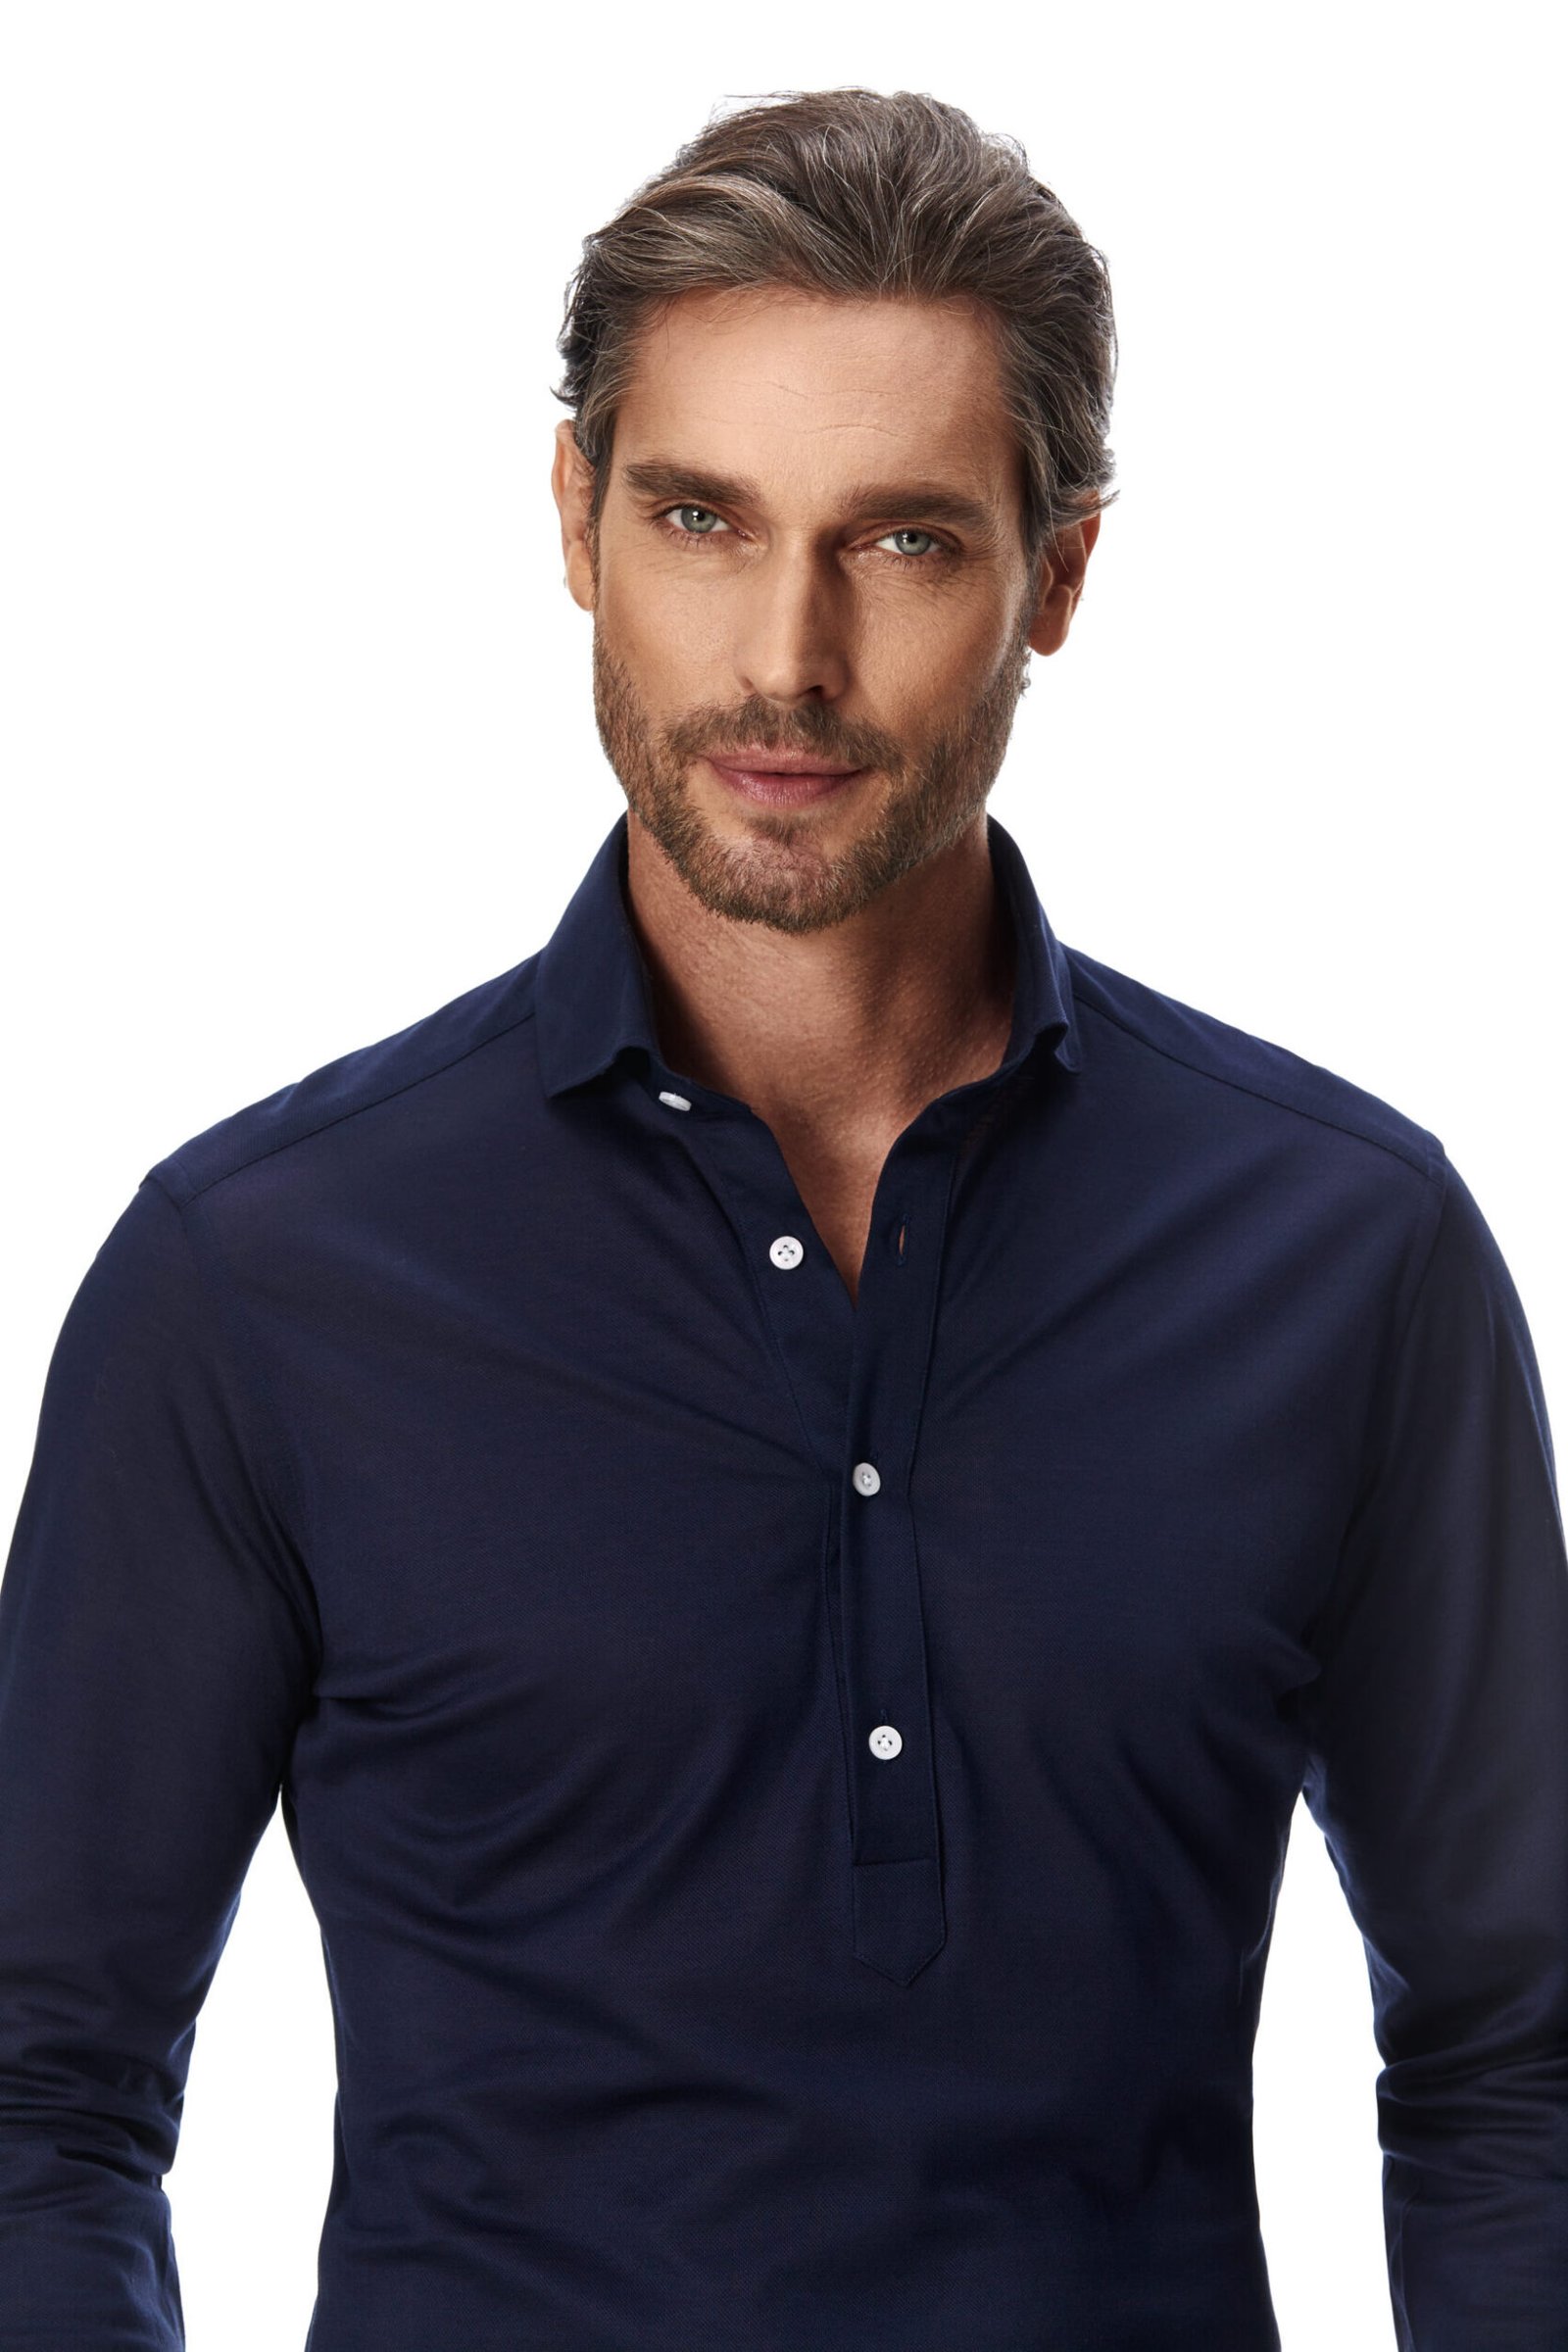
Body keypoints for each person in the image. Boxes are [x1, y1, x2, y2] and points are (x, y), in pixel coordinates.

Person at [0, 84, 1563, 2352]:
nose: (784, 659)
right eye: (699, 518)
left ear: (1057, 573)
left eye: (902, 540)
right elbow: (41, 2090)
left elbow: (1516, 2061)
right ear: (575, 518)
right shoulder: (256, 1275)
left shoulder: (1343, 1252)